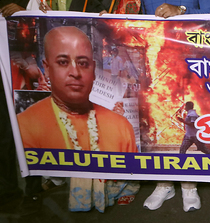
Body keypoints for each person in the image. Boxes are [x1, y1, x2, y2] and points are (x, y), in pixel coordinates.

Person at [139, 0, 210, 212]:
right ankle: (164, 184)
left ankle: (189, 185)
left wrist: (181, 11)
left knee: (189, 126)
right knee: (160, 125)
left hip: (192, 67)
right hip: (157, 68)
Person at [16, 27, 137, 212]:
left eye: (83, 63)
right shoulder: (24, 126)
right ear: (46, 69)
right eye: (63, 62)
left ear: (94, 70)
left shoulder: (121, 127)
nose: (75, 72)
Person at [0, 0, 43, 213]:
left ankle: (34, 189)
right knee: (3, 137)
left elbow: (44, 31)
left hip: (24, 81)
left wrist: (24, 15)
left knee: (28, 134)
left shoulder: (26, 0)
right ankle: (7, 189)